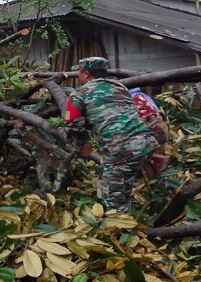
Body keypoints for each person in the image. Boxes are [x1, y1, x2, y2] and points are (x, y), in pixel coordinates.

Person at [64, 57, 162, 213]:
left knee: (113, 200)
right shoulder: (121, 87)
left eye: (79, 71)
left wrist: (79, 147)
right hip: (146, 140)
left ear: (86, 73)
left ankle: (122, 232)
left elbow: (74, 126)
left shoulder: (79, 94)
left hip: (120, 149)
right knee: (121, 181)